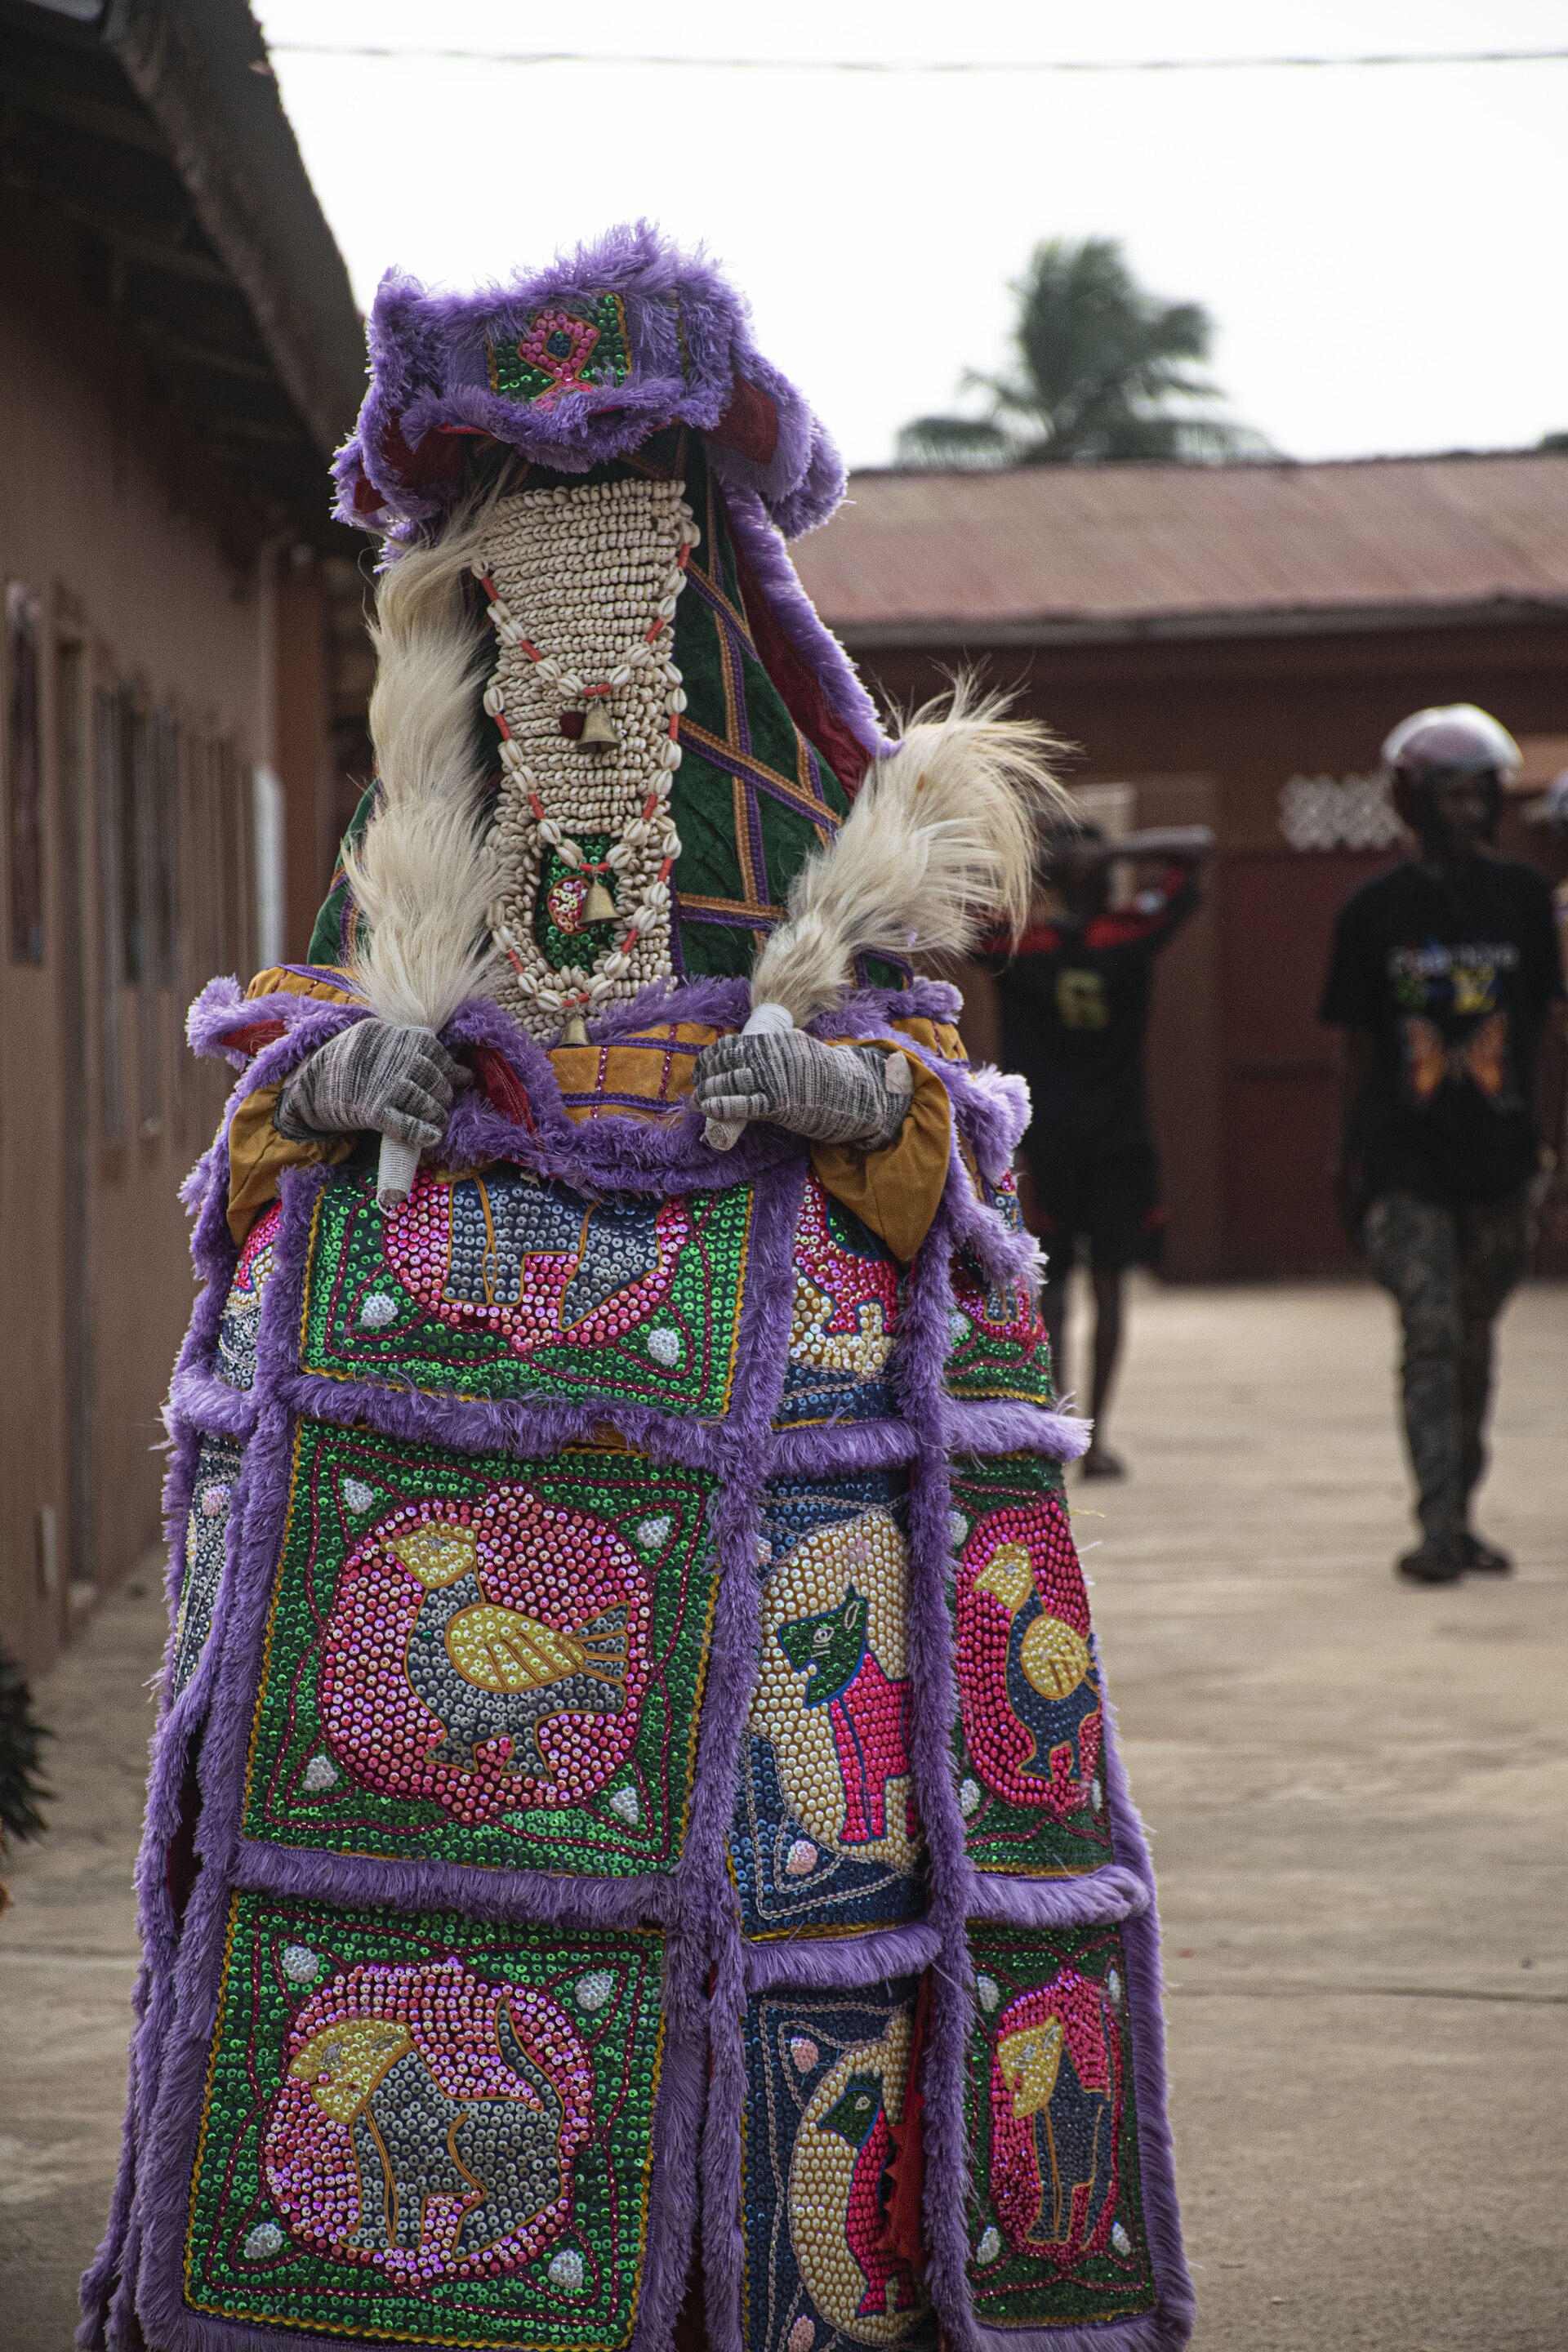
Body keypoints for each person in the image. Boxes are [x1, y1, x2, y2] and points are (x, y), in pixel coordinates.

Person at [82, 230, 1193, 2352]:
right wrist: (329, 1087)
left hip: (763, 1672)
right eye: (527, 550)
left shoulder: (803, 840)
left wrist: (845, 1108)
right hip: (426, 1674)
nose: (582, 627)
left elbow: (955, 1207)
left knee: (753, 2007)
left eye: (632, 555)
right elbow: (249, 1193)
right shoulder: (400, 871)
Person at [1321, 705, 1567, 1585]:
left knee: (1475, 1342)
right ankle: (1435, 1526)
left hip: (1501, 1159)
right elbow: (1355, 1047)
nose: (1468, 812)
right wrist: (1346, 1161)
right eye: (1450, 796)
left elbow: (1545, 1032)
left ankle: (1461, 1513)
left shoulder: (1523, 902)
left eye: (1480, 796)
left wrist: (1552, 1154)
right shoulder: (1373, 912)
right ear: (1414, 803)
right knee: (1429, 1334)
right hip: (1405, 1159)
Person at [971, 822, 1213, 1477]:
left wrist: (1112, 851)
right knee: (1057, 1291)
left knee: (1103, 1287)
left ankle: (1090, 1432)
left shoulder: (1086, 937)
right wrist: (1033, 862)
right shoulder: (1040, 940)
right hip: (1068, 1141)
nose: (1098, 870)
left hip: (1113, 1141)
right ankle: (1064, 1428)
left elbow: (1199, 848)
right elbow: (1191, 859)